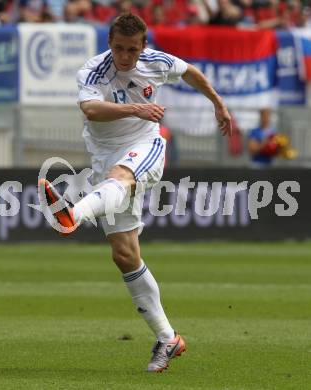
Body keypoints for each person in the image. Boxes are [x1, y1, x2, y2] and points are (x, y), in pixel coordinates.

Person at [39, 12, 232, 372]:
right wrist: (136, 107)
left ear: (143, 47)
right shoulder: (94, 70)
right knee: (125, 255)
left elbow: (191, 73)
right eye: (118, 49)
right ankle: (168, 339)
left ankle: (72, 215)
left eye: (131, 50)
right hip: (104, 156)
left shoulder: (156, 62)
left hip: (146, 145)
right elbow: (91, 110)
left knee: (121, 176)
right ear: (109, 44)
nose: (124, 57)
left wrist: (217, 102)